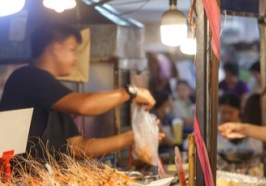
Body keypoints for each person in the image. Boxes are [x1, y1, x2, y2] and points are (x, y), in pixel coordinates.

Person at [0, 22, 155, 159]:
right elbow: (83, 106)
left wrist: (130, 138)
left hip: (47, 185)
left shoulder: (55, 94)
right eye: (72, 49)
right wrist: (130, 92)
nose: (76, 58)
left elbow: (77, 148)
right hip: (19, 184)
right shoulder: (27, 77)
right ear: (55, 48)